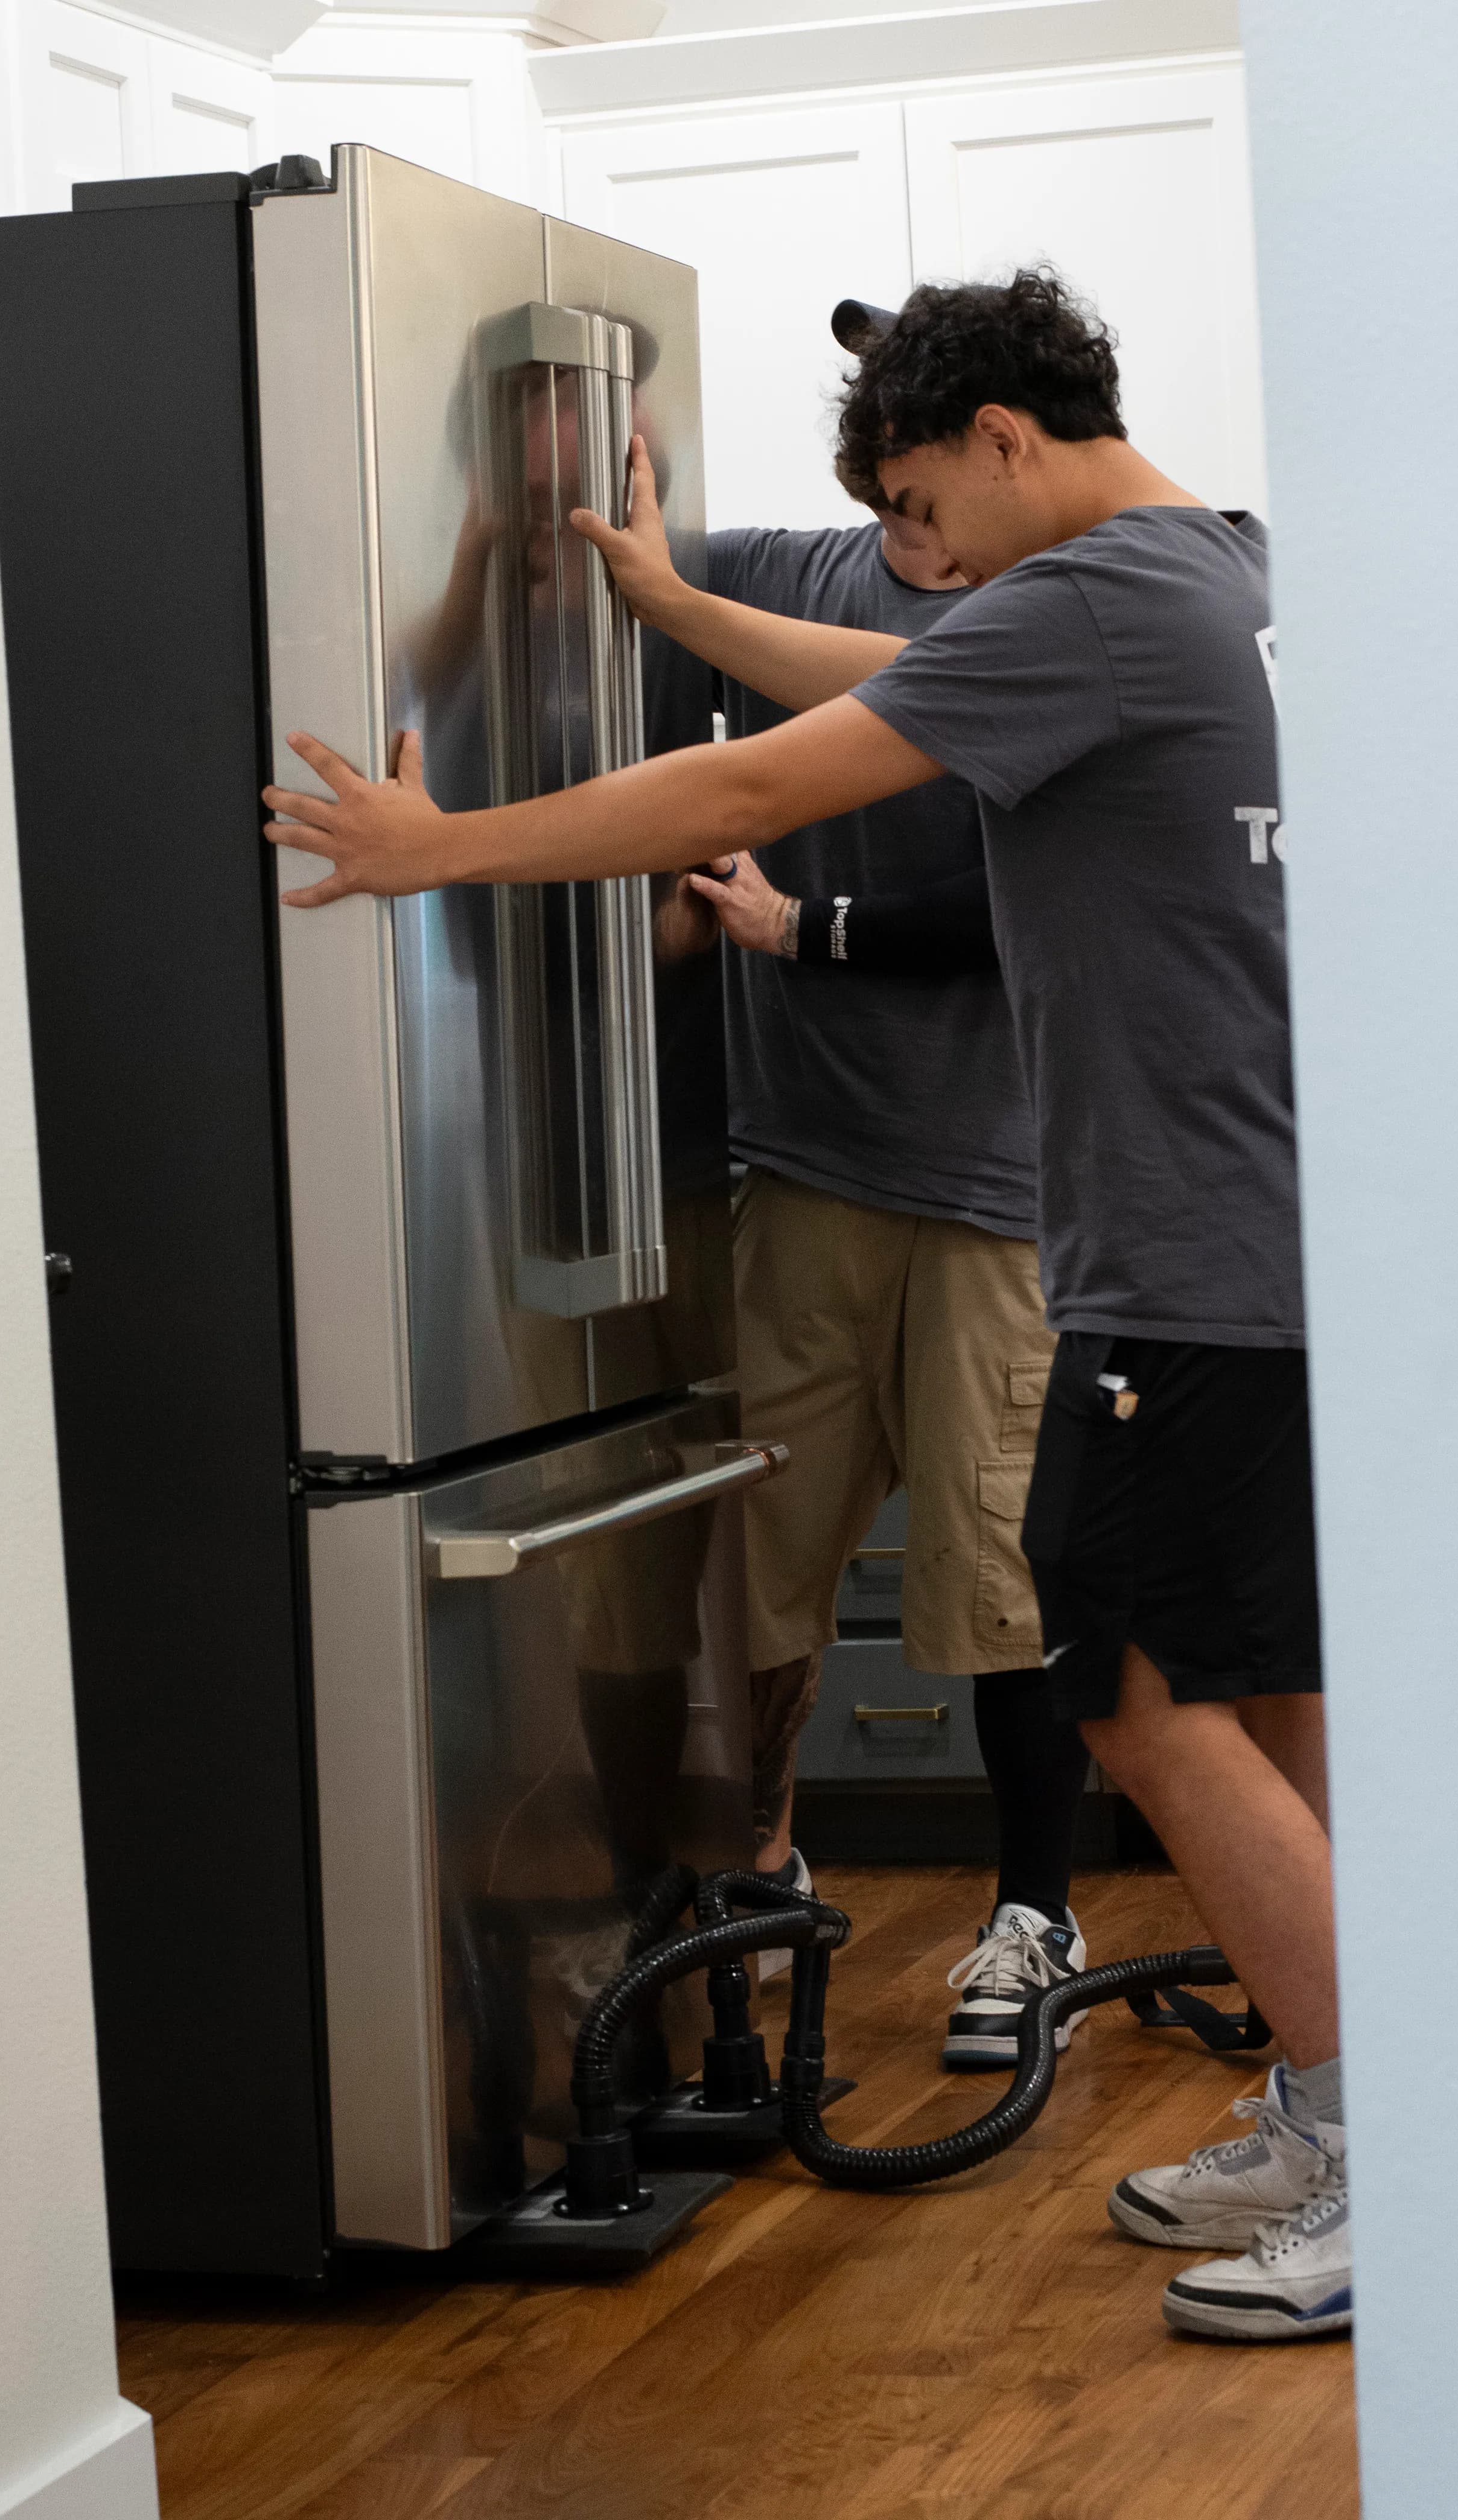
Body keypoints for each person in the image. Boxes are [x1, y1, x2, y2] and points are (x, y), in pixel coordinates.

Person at [258, 267, 1346, 2344]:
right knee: (1266, 1699)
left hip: (1190, 1255)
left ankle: (1376, 2143)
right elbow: (879, 669)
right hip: (1255, 1243)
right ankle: (1353, 2103)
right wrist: (667, 610)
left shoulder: (1103, 590)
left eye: (928, 488)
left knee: (1133, 1691)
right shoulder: (1209, 574)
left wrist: (432, 848)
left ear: (1007, 440)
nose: (920, 542)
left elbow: (753, 793)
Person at [694, 437, 1090, 2066]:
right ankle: (760, 1865)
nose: (902, 522)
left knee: (997, 1580)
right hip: (806, 1168)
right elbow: (563, 581)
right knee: (758, 1569)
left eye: (923, 485)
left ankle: (1031, 1917)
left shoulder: (1073, 613)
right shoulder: (785, 579)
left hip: (1004, 1188)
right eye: (880, 484)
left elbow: (1033, 920)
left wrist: (805, 931)